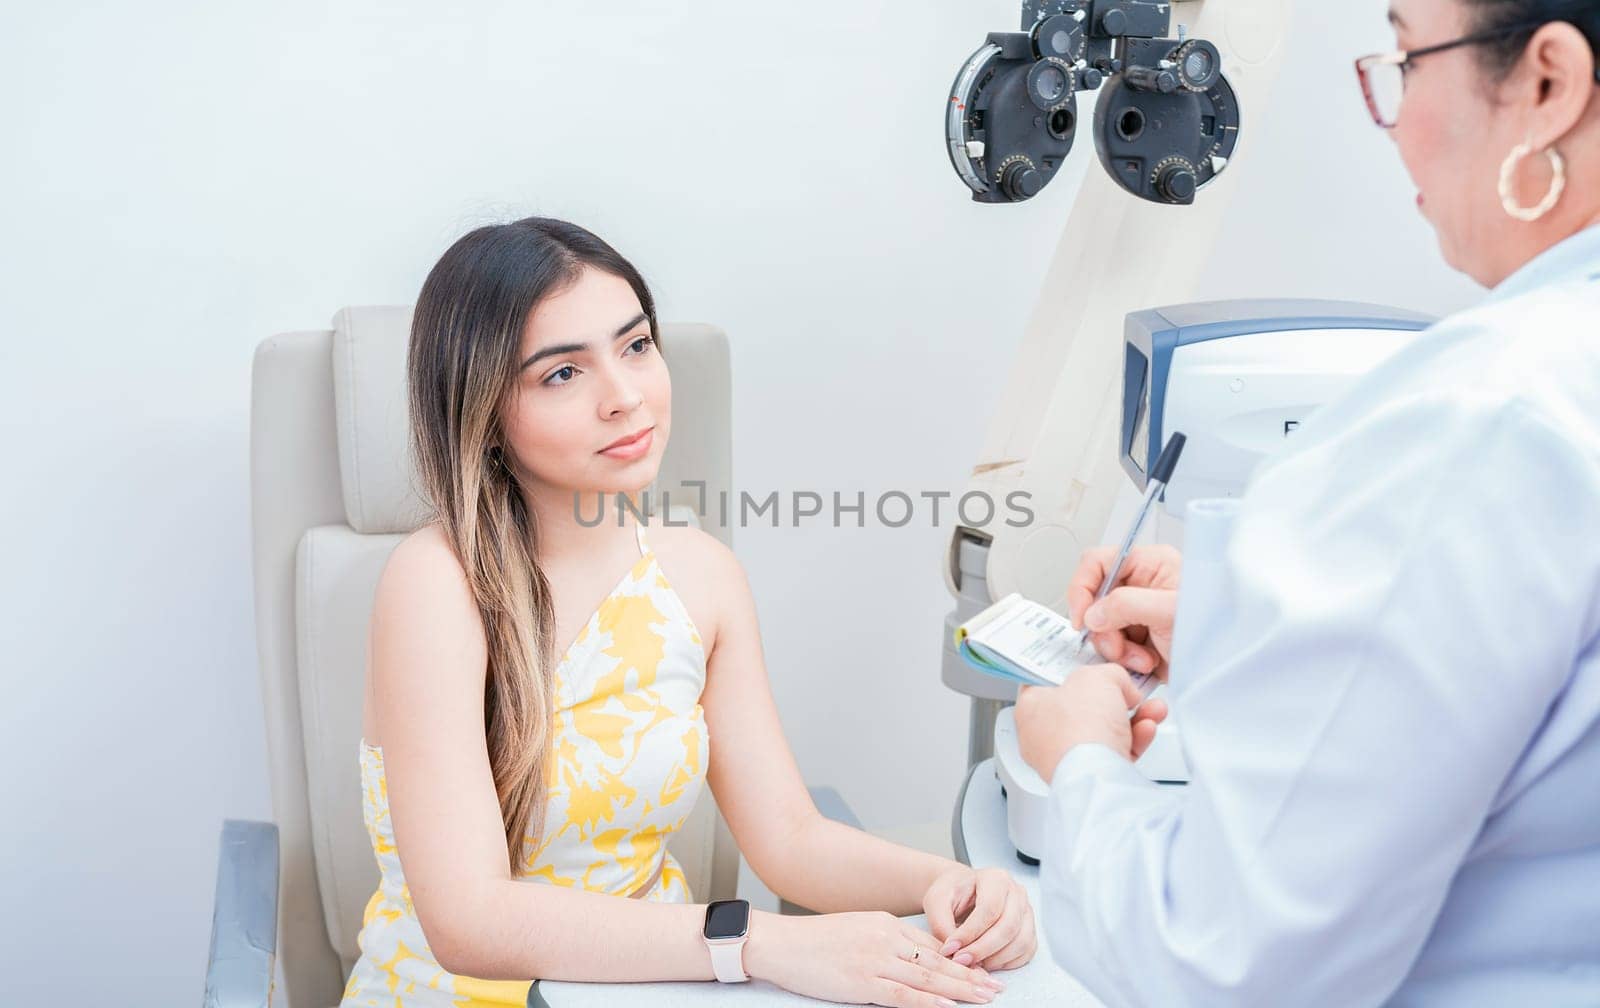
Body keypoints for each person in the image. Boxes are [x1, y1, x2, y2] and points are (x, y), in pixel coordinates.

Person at [1014, 1, 1600, 1004]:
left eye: (1408, 59)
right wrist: (1242, 624)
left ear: (1545, 82)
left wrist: (1079, 767)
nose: (1392, 115)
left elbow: (1223, 965)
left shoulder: (1482, 415)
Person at [340, 217, 1034, 1008]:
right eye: (562, 374)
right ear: (483, 411)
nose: (625, 396)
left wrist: (952, 881)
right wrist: (763, 944)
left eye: (635, 346)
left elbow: (790, 840)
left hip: (660, 990)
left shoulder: (699, 576)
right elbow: (470, 920)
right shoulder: (437, 585)